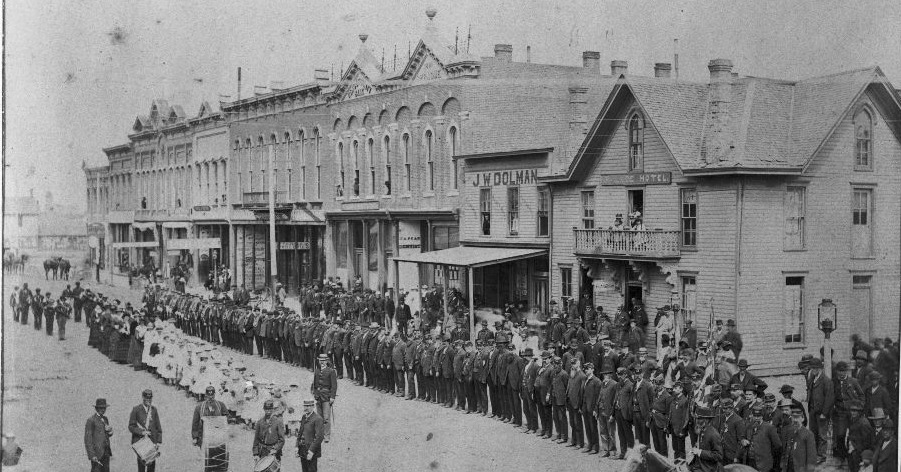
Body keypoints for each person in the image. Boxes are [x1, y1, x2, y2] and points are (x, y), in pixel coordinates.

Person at [127, 389, 162, 472]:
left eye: (150, 399)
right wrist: (141, 432)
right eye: (146, 399)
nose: (148, 400)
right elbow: (131, 426)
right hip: (141, 442)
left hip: (152, 442)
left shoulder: (154, 410)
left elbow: (158, 427)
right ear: (143, 398)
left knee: (151, 467)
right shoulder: (136, 409)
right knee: (141, 467)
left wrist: (158, 442)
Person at [741, 403, 781, 472]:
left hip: (764, 464)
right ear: (751, 416)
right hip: (750, 462)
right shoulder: (748, 426)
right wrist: (743, 441)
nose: (756, 418)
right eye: (755, 416)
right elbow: (742, 437)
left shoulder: (769, 427)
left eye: (759, 416)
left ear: (762, 416)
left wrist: (768, 455)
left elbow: (778, 445)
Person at [781, 404, 817, 472]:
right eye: (793, 417)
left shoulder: (808, 434)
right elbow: (785, 451)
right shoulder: (789, 431)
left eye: (797, 417)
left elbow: (811, 458)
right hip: (788, 468)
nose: (795, 420)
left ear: (803, 418)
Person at [311, 353, 337, 443]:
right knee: (319, 417)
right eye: (320, 360)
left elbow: (334, 386)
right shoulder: (317, 371)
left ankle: (327, 436)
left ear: (327, 361)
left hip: (326, 396)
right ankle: (320, 435)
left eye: (324, 361)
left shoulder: (331, 371)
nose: (322, 362)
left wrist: (332, 397)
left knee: (326, 418)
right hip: (318, 396)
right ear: (319, 361)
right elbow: (314, 384)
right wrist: (315, 393)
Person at [689, 406, 723, 472]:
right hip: (698, 464)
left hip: (708, 468)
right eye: (696, 418)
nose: (697, 421)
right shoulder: (702, 430)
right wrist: (695, 450)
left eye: (699, 419)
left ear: (706, 420)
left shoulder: (713, 434)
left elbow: (719, 456)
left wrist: (700, 452)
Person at [296, 398, 325, 472]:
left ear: (313, 406)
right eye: (305, 406)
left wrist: (311, 451)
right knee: (304, 469)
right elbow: (300, 432)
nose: (307, 408)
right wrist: (296, 446)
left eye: (309, 406)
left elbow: (319, 437)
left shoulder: (318, 419)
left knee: (311, 470)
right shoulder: (304, 417)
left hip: (311, 450)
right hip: (302, 449)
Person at [84, 398, 113, 472]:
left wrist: (110, 432)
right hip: (97, 454)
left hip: (106, 452)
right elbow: (88, 440)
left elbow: (106, 434)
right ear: (96, 408)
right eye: (101, 408)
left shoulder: (105, 419)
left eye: (104, 408)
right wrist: (92, 455)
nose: (103, 410)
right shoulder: (91, 420)